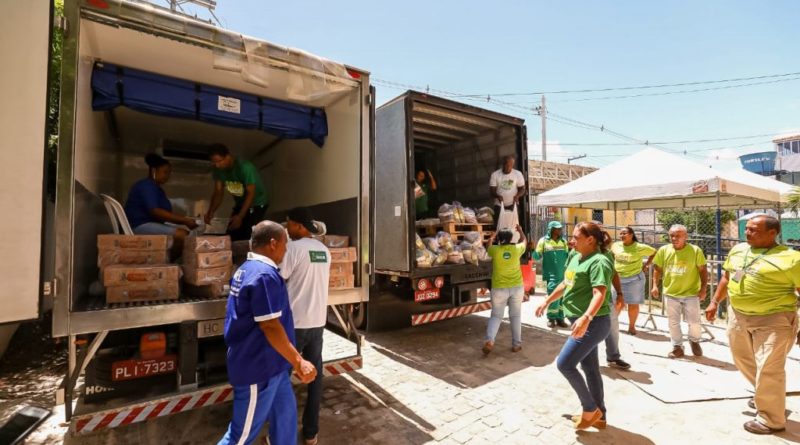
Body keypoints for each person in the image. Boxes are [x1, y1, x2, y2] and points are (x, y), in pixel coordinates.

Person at [218, 221, 317, 445]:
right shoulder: (264, 275)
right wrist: (299, 361)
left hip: (275, 367)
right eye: (285, 244)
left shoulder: (245, 269)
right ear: (273, 244)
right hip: (258, 368)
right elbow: (270, 326)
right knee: (240, 437)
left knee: (285, 419)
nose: (286, 250)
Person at [706, 215, 800, 435]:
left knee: (769, 367)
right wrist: (713, 302)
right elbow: (727, 278)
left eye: (754, 230)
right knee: (742, 359)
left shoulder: (792, 259)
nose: (747, 233)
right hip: (738, 315)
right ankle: (766, 395)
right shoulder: (739, 250)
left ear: (772, 233)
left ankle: (771, 419)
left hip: (775, 319)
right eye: (746, 229)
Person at [535, 221, 613, 430]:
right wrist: (547, 301)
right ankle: (600, 415)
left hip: (594, 323)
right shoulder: (576, 257)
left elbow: (600, 293)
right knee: (590, 369)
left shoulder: (598, 261)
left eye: (576, 237)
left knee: (565, 364)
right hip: (581, 321)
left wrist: (586, 318)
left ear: (590, 240)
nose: (571, 240)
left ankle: (590, 409)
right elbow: (565, 283)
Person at [280, 208, 329, 445]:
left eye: (289, 224)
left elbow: (280, 277)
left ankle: (281, 436)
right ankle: (311, 433)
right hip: (317, 322)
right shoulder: (324, 251)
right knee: (314, 379)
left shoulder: (293, 248)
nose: (286, 229)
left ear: (299, 226)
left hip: (295, 324)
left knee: (281, 380)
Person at [124, 153, 198, 258]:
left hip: (146, 224)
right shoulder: (147, 186)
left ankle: (167, 263)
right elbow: (155, 211)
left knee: (184, 232)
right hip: (138, 226)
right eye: (165, 172)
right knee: (182, 235)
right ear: (154, 171)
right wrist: (184, 221)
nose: (167, 176)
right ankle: (168, 265)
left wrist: (184, 220)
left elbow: (164, 213)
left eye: (169, 173)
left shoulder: (156, 188)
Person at [651, 224, 707, 359]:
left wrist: (704, 288)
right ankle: (677, 347)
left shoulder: (695, 250)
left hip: (691, 293)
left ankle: (694, 340)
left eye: (678, 236)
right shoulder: (664, 250)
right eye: (672, 235)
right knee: (673, 322)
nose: (674, 238)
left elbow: (703, 270)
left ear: (686, 237)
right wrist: (655, 285)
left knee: (694, 322)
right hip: (670, 292)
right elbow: (658, 269)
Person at [205, 144, 269, 241]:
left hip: (257, 203)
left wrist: (240, 216)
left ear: (228, 156)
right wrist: (211, 211)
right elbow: (218, 192)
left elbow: (250, 193)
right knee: (231, 233)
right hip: (240, 203)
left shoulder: (245, 167)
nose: (217, 165)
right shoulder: (218, 170)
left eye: (219, 161)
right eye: (214, 163)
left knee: (247, 234)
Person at [482, 225, 527, 355]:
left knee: (496, 316)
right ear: (511, 238)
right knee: (515, 316)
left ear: (499, 238)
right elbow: (524, 241)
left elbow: (488, 246)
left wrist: (492, 237)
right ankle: (517, 345)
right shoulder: (517, 249)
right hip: (517, 287)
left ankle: (490, 340)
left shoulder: (495, 250)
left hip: (499, 288)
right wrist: (521, 231)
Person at [610, 226, 655, 335]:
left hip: (634, 279)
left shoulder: (639, 247)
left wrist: (646, 265)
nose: (622, 235)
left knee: (633, 304)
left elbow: (654, 252)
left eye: (624, 233)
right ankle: (611, 326)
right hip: (617, 279)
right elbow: (611, 255)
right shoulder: (615, 245)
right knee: (615, 303)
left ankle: (631, 327)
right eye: (620, 233)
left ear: (631, 235)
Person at [600, 230, 630, 370]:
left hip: (607, 296)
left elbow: (614, 273)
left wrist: (619, 293)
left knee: (612, 326)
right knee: (587, 329)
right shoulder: (578, 254)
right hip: (586, 298)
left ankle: (613, 356)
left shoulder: (608, 254)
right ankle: (585, 358)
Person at [533, 221, 570, 329]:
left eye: (560, 228)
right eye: (557, 228)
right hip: (551, 274)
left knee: (563, 296)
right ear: (550, 229)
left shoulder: (564, 242)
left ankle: (560, 318)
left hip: (564, 274)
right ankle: (551, 318)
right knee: (553, 294)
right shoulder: (543, 241)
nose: (559, 230)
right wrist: (532, 250)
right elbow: (536, 257)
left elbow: (568, 256)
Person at [489, 155, 526, 229]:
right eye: (505, 164)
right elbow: (492, 191)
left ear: (512, 165)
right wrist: (497, 196)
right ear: (503, 164)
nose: (507, 167)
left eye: (509, 165)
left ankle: (514, 239)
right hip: (499, 204)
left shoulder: (517, 174)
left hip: (513, 204)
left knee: (513, 225)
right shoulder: (495, 174)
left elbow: (523, 189)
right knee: (498, 225)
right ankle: (498, 239)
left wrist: (517, 196)